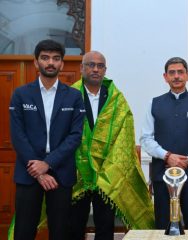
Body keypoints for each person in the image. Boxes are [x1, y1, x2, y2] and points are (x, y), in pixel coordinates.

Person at [69, 51, 155, 240]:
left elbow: (124, 135)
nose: (95, 69)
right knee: (74, 227)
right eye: (91, 65)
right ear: (82, 68)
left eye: (100, 66)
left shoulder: (116, 99)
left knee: (105, 227)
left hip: (107, 173)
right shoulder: (69, 95)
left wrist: (110, 168)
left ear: (105, 70)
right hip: (77, 173)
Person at [8, 39, 85, 240]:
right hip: (28, 172)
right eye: (45, 58)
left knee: (60, 231)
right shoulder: (21, 94)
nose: (50, 62)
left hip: (61, 173)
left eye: (55, 58)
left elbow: (75, 135)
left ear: (62, 64)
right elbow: (18, 135)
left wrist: (48, 164)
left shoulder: (74, 97)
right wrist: (39, 171)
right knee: (24, 230)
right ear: (36, 62)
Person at [140, 57, 188, 229]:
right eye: (172, 72)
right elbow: (146, 138)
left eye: (180, 72)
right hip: (163, 174)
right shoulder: (154, 103)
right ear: (165, 76)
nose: (176, 76)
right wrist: (167, 156)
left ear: (187, 75)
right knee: (163, 225)